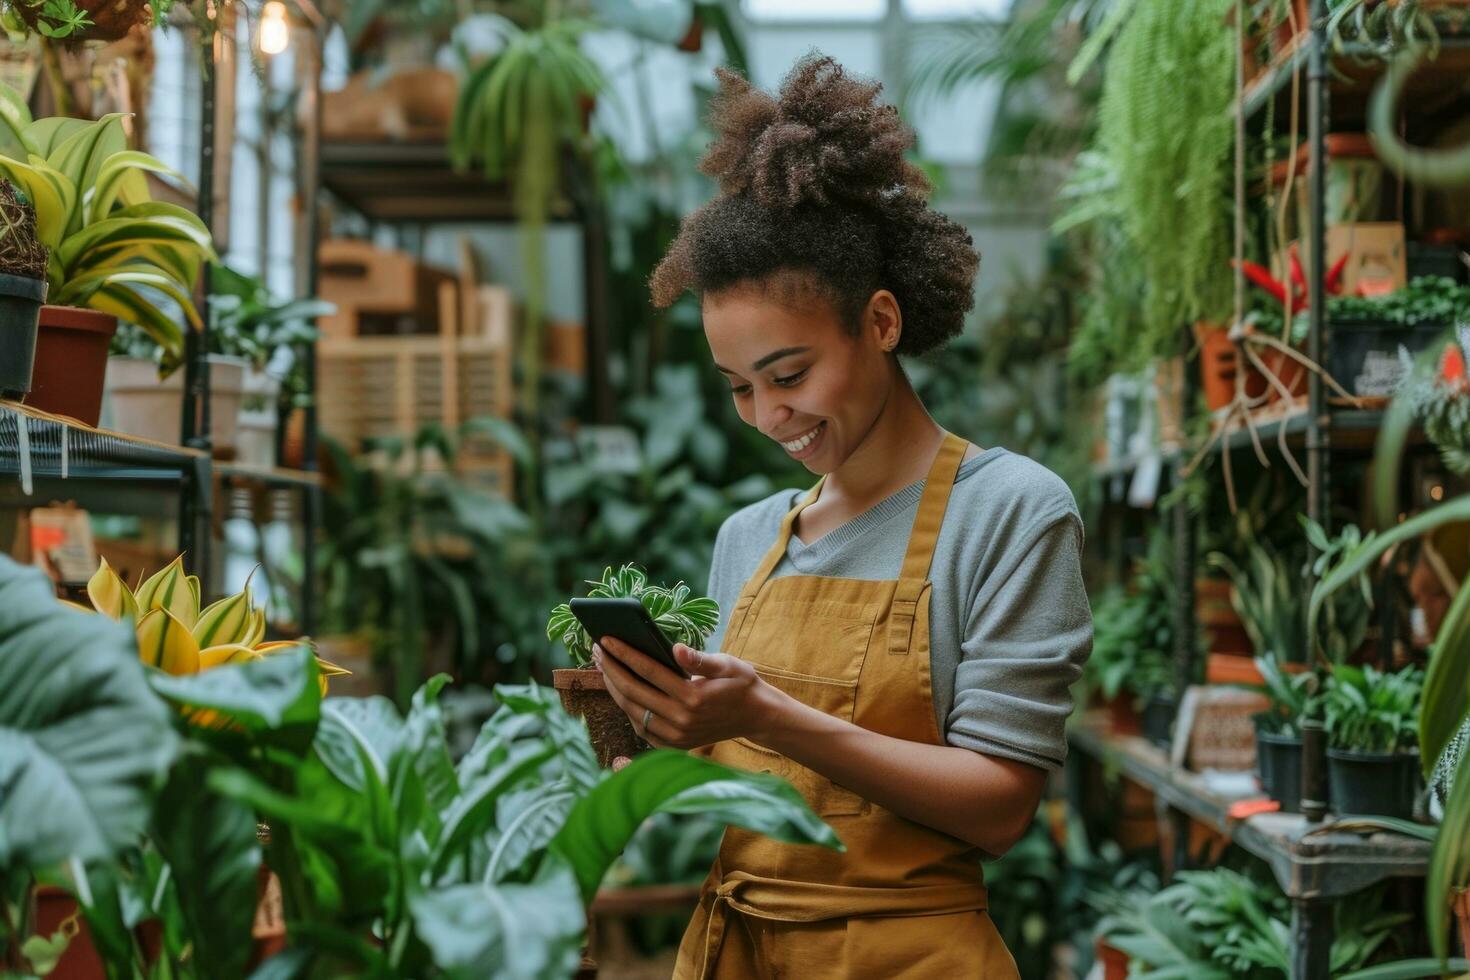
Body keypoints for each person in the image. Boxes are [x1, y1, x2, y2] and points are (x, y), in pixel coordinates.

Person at [591, 54, 1093, 979]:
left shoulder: (1012, 513)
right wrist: (655, 726)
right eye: (738, 388)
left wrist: (769, 715)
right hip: (734, 954)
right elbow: (753, 797)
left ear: (883, 323)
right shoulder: (747, 537)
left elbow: (1001, 807)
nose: (768, 416)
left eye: (789, 375)